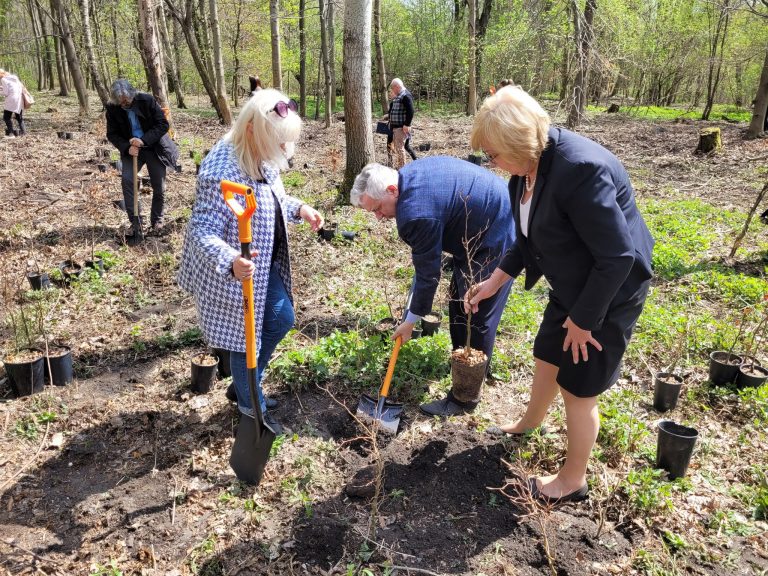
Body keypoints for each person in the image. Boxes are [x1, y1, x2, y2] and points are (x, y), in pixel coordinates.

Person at [467, 85, 654, 504]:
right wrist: (496, 280)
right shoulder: (526, 170)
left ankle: (573, 480)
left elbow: (618, 255)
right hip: (574, 281)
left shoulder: (579, 170)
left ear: (518, 142)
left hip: (610, 290)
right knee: (548, 352)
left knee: (578, 387)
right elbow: (528, 239)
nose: (491, 163)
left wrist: (585, 318)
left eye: (494, 154)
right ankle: (528, 422)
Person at [177, 89, 324, 435]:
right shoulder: (220, 170)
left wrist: (299, 208)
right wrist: (230, 260)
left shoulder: (261, 155)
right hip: (229, 275)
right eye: (278, 144)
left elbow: (274, 200)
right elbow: (202, 229)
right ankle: (248, 404)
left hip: (259, 265)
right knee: (247, 340)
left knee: (280, 318)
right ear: (252, 131)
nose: (282, 153)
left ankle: (244, 385)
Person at [350, 157, 516, 417]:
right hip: (477, 224)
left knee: (474, 312)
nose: (379, 217)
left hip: (495, 230)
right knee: (458, 304)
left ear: (392, 190)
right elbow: (425, 261)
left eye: (378, 209)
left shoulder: (415, 214)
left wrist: (410, 321)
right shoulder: (406, 177)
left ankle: (465, 397)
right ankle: (470, 362)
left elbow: (428, 275)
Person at [106, 79, 179, 236]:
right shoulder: (112, 108)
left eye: (127, 100)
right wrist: (127, 146)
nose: (125, 104)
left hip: (154, 147)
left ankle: (157, 221)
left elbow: (162, 125)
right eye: (121, 102)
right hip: (131, 150)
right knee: (127, 180)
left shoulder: (146, 100)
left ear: (133, 94)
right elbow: (111, 134)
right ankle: (136, 221)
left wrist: (143, 140)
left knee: (159, 186)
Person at [386, 78, 415, 169]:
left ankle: (402, 169)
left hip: (400, 128)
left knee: (400, 149)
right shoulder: (399, 96)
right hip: (395, 128)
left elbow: (411, 111)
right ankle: (399, 167)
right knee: (398, 148)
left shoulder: (405, 95)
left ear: (397, 87)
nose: (392, 90)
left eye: (392, 88)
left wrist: (407, 124)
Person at [0, 69, 25, 137]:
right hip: (19, 99)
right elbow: (14, 87)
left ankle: (11, 134)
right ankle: (23, 133)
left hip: (11, 99)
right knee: (19, 117)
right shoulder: (14, 77)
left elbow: (6, 92)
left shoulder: (3, 79)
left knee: (6, 117)